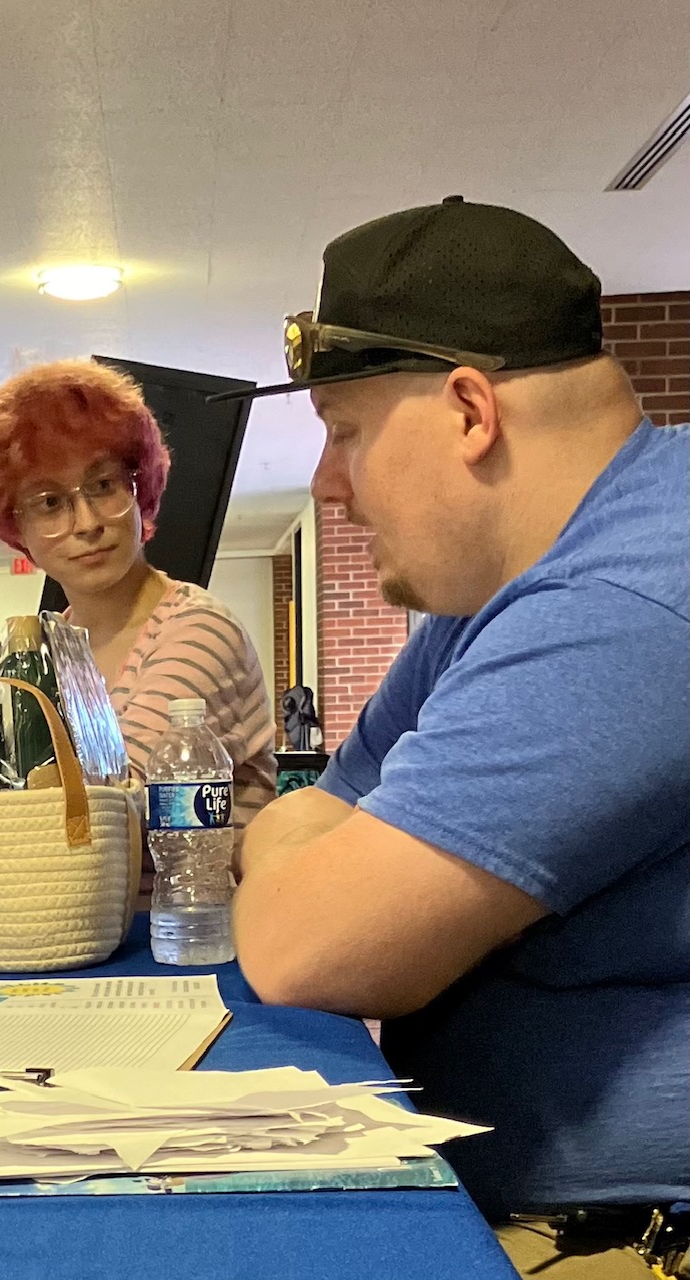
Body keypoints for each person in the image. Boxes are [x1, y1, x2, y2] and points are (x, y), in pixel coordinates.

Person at [226, 197, 689, 1276]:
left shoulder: (627, 599)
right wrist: (305, 857)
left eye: (343, 430)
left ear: (471, 411)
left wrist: (300, 866)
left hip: (631, 1233)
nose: (325, 484)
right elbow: (317, 813)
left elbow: (308, 948)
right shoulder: (503, 590)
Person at [0, 360, 276, 886]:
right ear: (17, 525)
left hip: (183, 938)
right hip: (64, 930)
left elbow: (113, 814)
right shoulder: (43, 649)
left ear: (139, 486)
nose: (87, 523)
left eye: (103, 485)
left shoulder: (197, 629)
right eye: (50, 502)